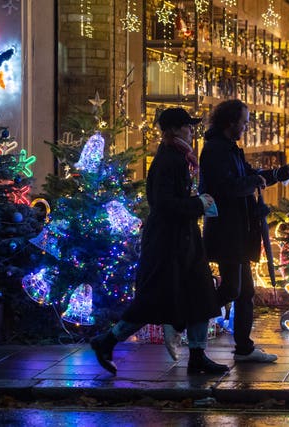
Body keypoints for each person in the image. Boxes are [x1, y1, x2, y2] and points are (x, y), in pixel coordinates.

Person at [90, 107, 229, 375]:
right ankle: (106, 340)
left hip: (182, 241)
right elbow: (163, 203)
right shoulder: (170, 160)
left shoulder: (177, 156)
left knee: (199, 295)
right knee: (153, 300)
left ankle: (198, 356)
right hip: (169, 243)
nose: (192, 130)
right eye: (188, 126)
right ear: (175, 129)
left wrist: (195, 205)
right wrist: (197, 203)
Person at [199, 99, 289, 363]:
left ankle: (244, 348)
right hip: (227, 232)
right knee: (232, 290)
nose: (246, 126)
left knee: (245, 292)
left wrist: (281, 173)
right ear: (230, 122)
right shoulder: (215, 150)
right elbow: (227, 188)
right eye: (244, 121)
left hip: (239, 231)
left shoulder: (230, 149)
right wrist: (253, 181)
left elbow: (248, 175)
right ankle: (189, 314)